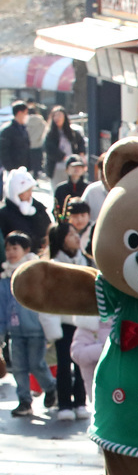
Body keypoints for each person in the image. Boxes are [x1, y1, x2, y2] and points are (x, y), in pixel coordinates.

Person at [0, 230, 55, 416]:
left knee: (36, 364)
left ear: (26, 249)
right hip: (14, 331)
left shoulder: (33, 273)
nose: (11, 253)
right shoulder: (4, 278)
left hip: (35, 329)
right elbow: (2, 306)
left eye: (15, 248)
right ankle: (24, 400)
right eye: (8, 249)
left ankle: (51, 387)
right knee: (18, 367)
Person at [46, 220, 91, 421]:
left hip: (84, 321)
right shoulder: (53, 266)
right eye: (70, 234)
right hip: (63, 322)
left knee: (83, 362)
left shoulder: (86, 262)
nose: (75, 237)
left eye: (76, 233)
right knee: (64, 364)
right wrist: (51, 329)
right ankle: (64, 403)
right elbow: (48, 299)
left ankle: (81, 402)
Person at [0, 168, 52, 250]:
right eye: (26, 191)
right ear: (16, 193)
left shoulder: (38, 208)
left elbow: (49, 228)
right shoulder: (4, 214)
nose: (30, 194)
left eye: (30, 190)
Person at [42, 106, 85, 183]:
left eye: (60, 115)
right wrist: (64, 157)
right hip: (56, 167)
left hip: (72, 167)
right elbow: (50, 149)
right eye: (55, 115)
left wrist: (81, 154)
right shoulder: (50, 134)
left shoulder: (72, 132)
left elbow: (81, 141)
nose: (57, 118)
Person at [0, 102, 28, 171]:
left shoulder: (23, 128)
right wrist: (10, 168)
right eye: (25, 113)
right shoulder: (7, 130)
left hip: (23, 167)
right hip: (12, 169)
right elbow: (3, 151)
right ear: (19, 113)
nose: (26, 116)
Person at [24, 102, 46, 174]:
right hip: (38, 144)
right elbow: (45, 130)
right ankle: (36, 176)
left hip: (27, 145)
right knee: (37, 164)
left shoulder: (25, 121)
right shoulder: (40, 120)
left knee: (28, 165)